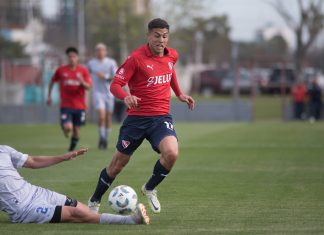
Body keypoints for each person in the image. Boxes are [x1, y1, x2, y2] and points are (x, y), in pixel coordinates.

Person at [88, 18, 195, 214]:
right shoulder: (136, 58)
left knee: (172, 153)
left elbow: (170, 74)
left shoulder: (172, 56)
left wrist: (179, 94)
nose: (161, 40)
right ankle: (94, 201)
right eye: (156, 36)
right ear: (148, 36)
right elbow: (115, 85)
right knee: (116, 166)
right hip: (136, 120)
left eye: (164, 36)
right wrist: (126, 96)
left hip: (161, 118)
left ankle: (150, 188)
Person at [0, 145, 149, 225]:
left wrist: (63, 158)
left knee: (84, 210)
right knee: (76, 214)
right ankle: (131, 220)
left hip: (36, 192)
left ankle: (110, 220)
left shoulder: (4, 150)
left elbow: (32, 161)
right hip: (24, 209)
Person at [47, 47, 92, 151]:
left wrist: (82, 82)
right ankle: (65, 127)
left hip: (80, 106)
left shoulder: (83, 71)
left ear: (78, 58)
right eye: (70, 56)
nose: (72, 58)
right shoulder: (61, 70)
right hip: (66, 105)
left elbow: (89, 87)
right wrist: (49, 96)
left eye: (74, 56)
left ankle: (71, 149)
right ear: (67, 58)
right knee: (68, 128)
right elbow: (52, 81)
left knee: (76, 131)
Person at [88, 43, 118, 149]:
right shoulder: (91, 63)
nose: (100, 52)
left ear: (105, 51)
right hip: (97, 93)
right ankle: (102, 137)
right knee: (101, 116)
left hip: (109, 93)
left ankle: (106, 138)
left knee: (108, 117)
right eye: (98, 50)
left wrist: (104, 76)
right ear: (96, 52)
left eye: (102, 50)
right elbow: (87, 75)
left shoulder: (111, 62)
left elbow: (116, 77)